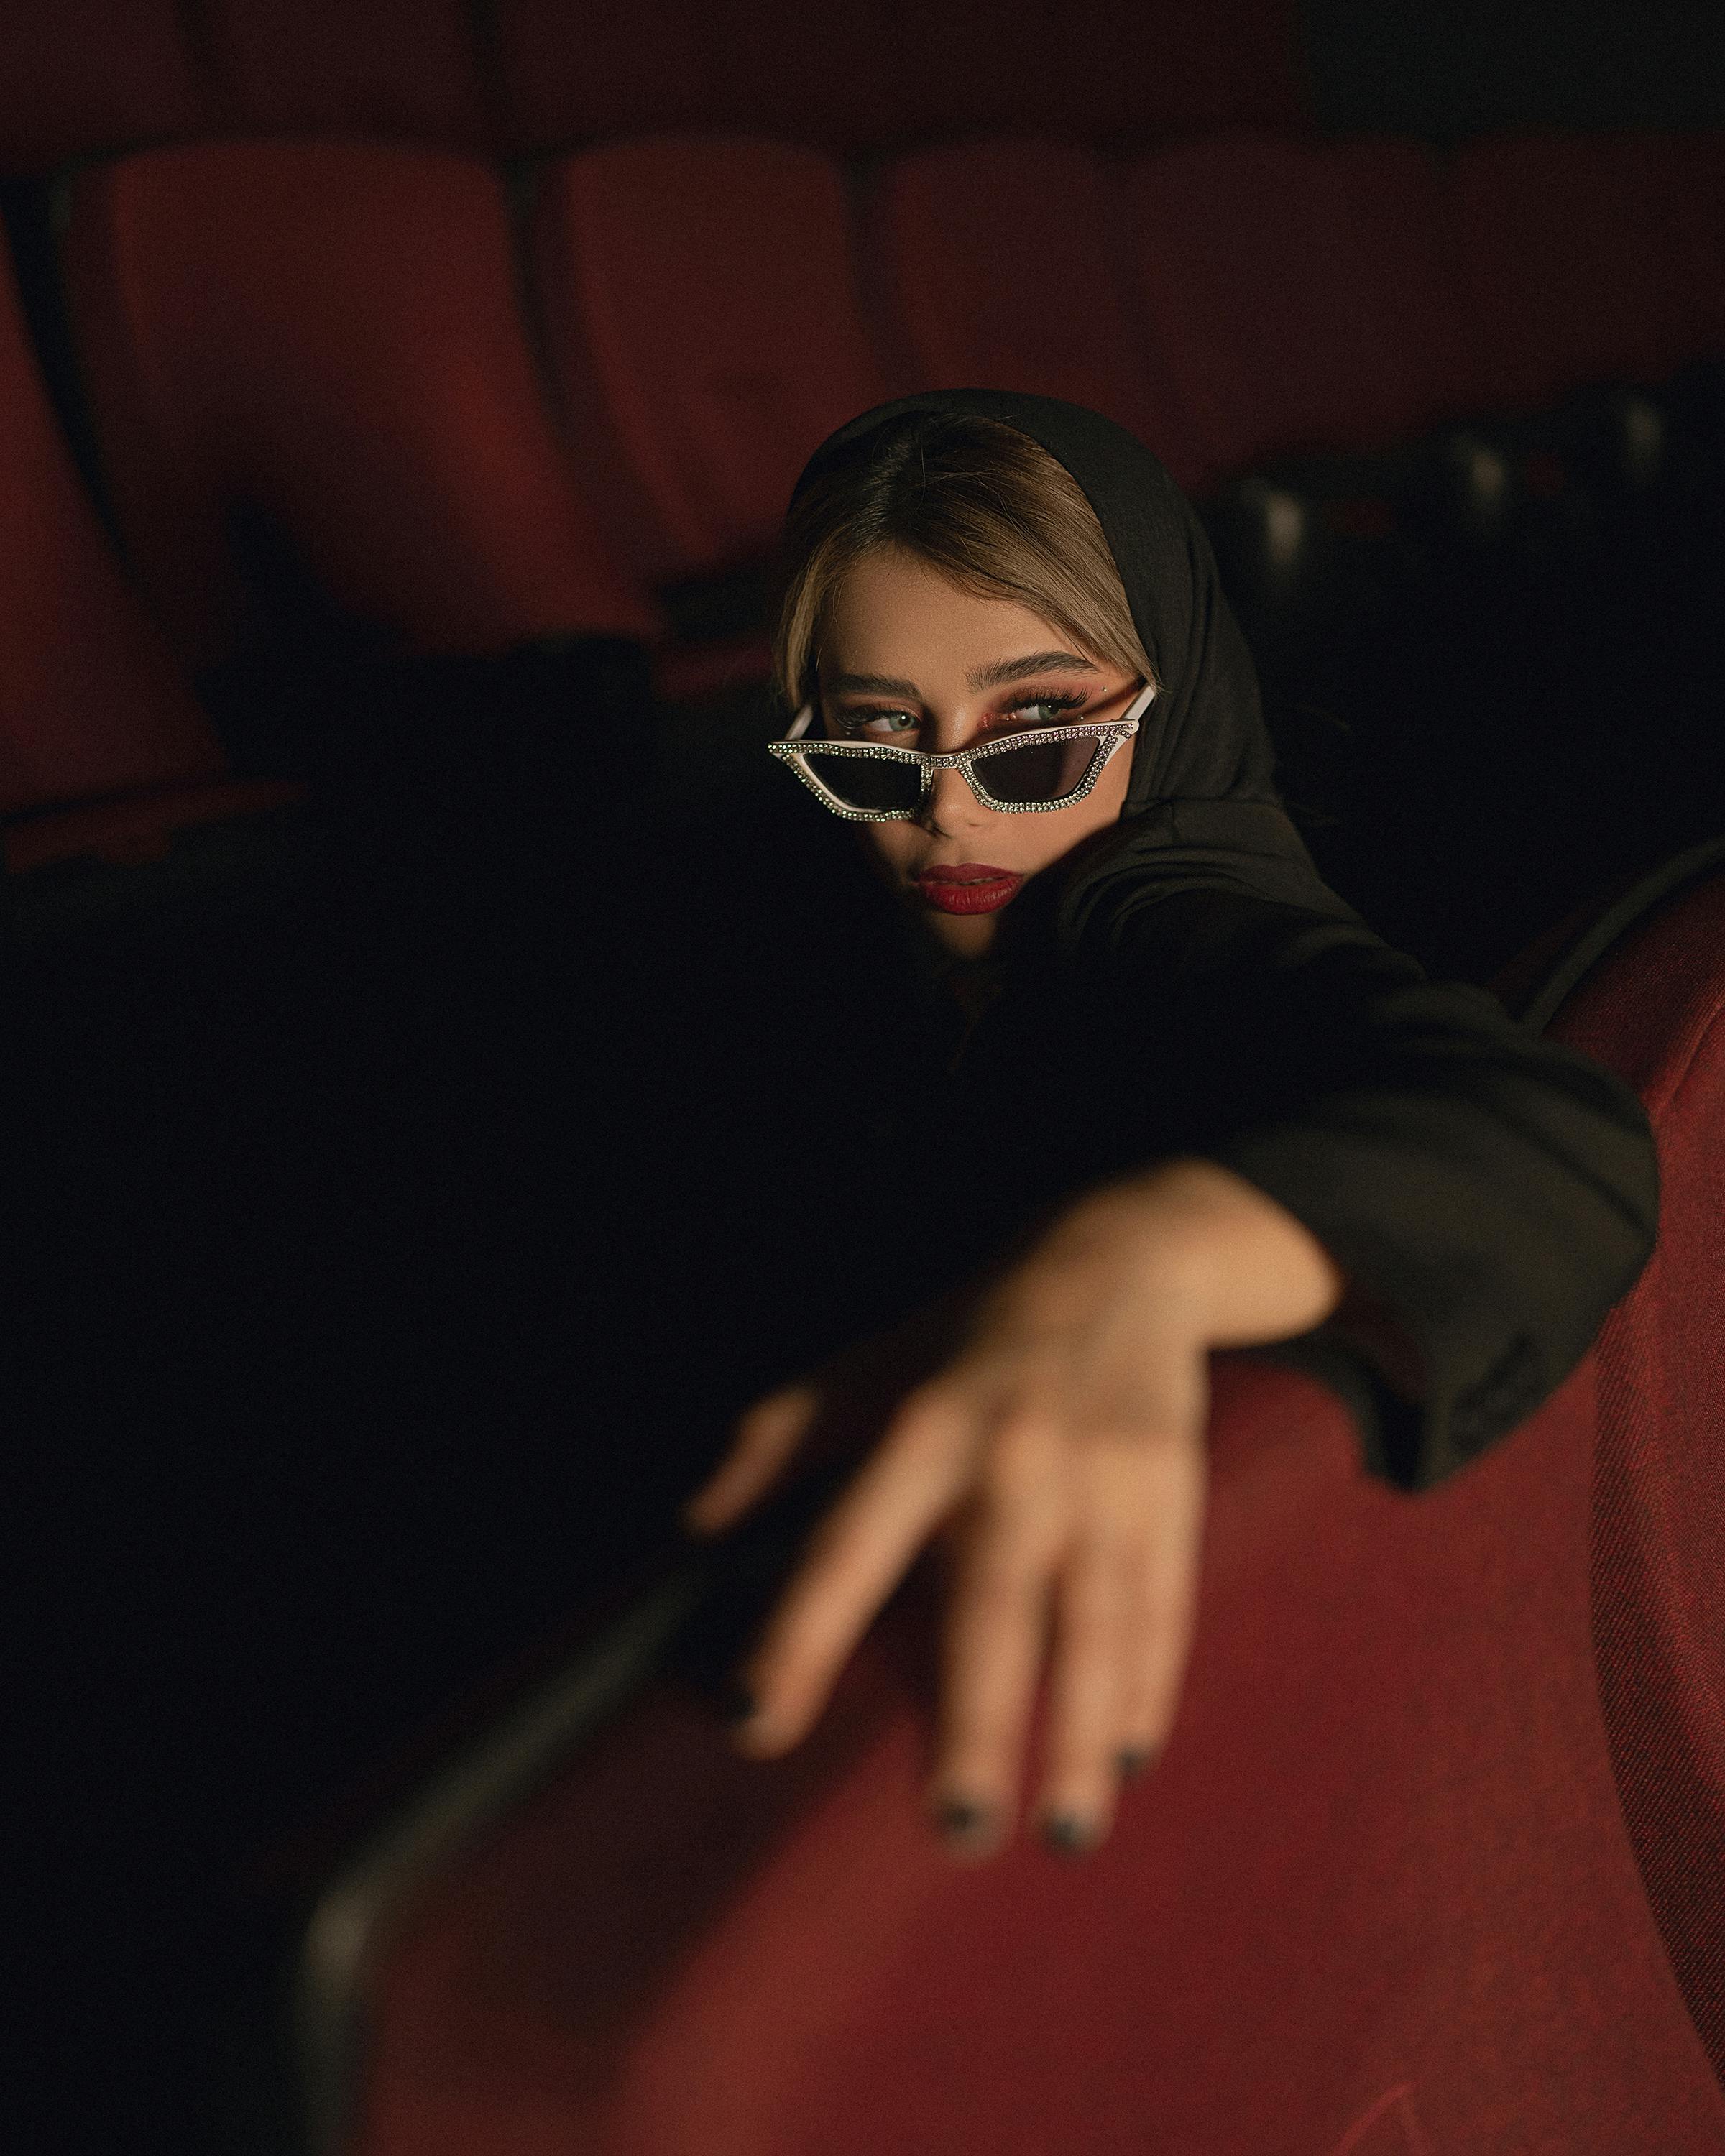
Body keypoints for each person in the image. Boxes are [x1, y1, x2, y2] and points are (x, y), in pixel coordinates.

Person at [669, 390, 1658, 1867]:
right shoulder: (952, 929)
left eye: (1037, 735)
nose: (951, 821)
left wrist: (1135, 1260)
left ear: (1171, 685)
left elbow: (1558, 1134)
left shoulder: (1168, 909)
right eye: (878, 749)